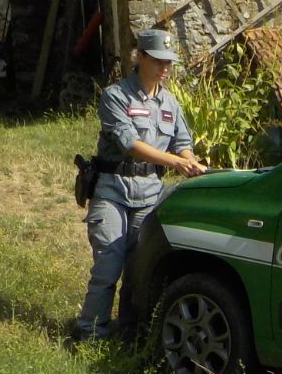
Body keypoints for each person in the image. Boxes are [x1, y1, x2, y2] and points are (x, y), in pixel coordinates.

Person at [72, 28, 207, 341]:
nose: (164, 68)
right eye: (158, 60)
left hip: (149, 195)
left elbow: (182, 141)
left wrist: (190, 160)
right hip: (112, 191)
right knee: (109, 263)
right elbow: (128, 142)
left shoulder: (170, 103)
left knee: (138, 269)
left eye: (169, 62)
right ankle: (91, 333)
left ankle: (129, 332)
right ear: (140, 57)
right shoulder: (115, 96)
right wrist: (173, 162)